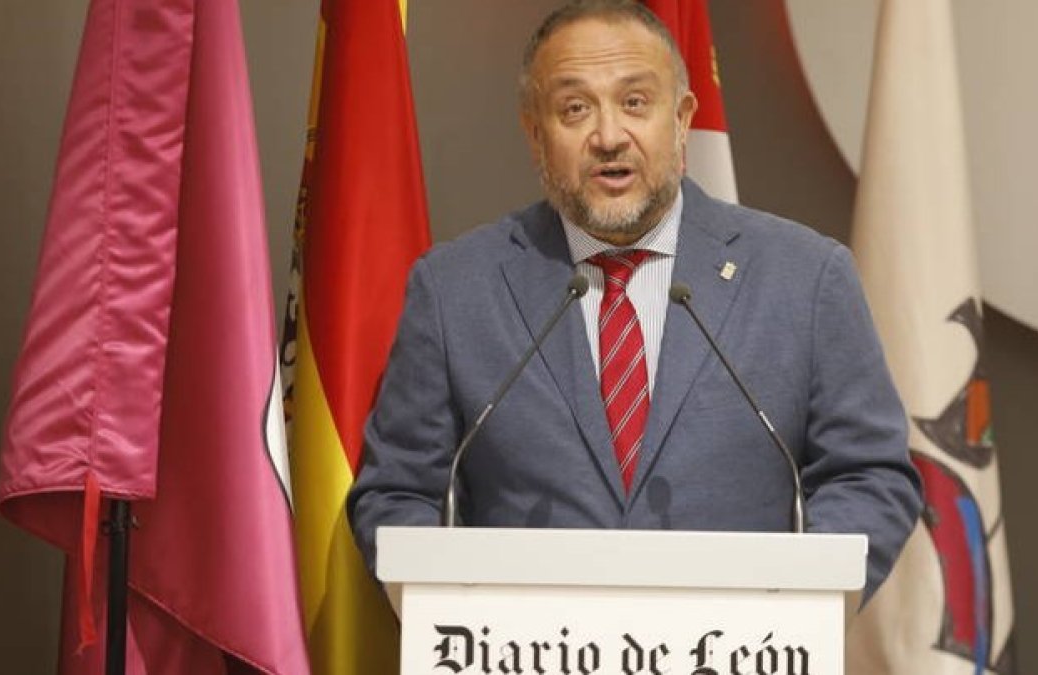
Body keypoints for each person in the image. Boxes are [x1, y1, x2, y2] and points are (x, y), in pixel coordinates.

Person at [347, 0, 921, 601]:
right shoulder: (455, 289)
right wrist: (463, 607)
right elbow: (398, 493)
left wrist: (794, 604)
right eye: (575, 108)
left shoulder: (804, 278)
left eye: (636, 102)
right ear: (536, 134)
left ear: (682, 119)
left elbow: (868, 475)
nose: (609, 137)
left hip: (737, 638)